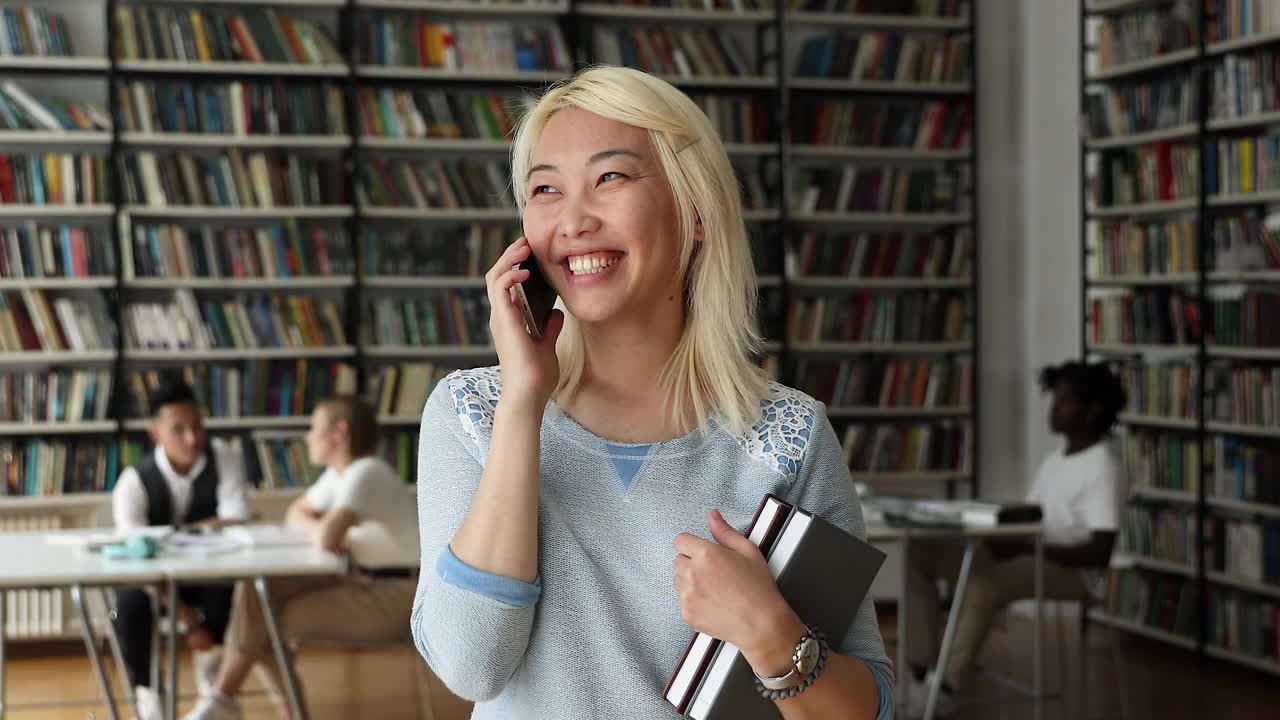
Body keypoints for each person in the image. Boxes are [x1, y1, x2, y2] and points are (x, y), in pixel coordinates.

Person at [411, 65, 893, 719]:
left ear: (693, 211)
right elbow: (472, 667)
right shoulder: (470, 414)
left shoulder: (790, 434)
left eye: (610, 177)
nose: (574, 219)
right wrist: (522, 406)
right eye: (545, 188)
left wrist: (770, 632)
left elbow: (867, 707)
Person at [904, 360, 1125, 717]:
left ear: (1092, 409)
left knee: (986, 582)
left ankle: (944, 688)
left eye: (1064, 401)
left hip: (1075, 574)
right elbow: (1035, 517)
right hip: (1030, 554)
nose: (1054, 409)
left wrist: (1024, 546)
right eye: (1055, 399)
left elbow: (1099, 552)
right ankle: (919, 673)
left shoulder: (1103, 466)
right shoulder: (1056, 460)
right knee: (921, 555)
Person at [184, 395, 420, 720]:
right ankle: (237, 699)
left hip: (393, 597)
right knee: (259, 596)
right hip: (359, 580)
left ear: (339, 431)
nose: (307, 436)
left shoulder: (367, 472)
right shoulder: (338, 476)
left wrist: (325, 531)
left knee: (261, 621)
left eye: (314, 428)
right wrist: (323, 529)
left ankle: (225, 693)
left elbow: (325, 537)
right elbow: (295, 514)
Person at [112, 380, 250, 720]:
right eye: (178, 430)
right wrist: (188, 619)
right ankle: (148, 693)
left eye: (197, 427)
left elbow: (236, 521)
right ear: (155, 432)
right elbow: (135, 555)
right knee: (129, 603)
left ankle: (212, 679)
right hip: (152, 581)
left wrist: (168, 536)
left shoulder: (225, 457)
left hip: (207, 573)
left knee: (228, 586)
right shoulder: (133, 480)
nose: (192, 439)